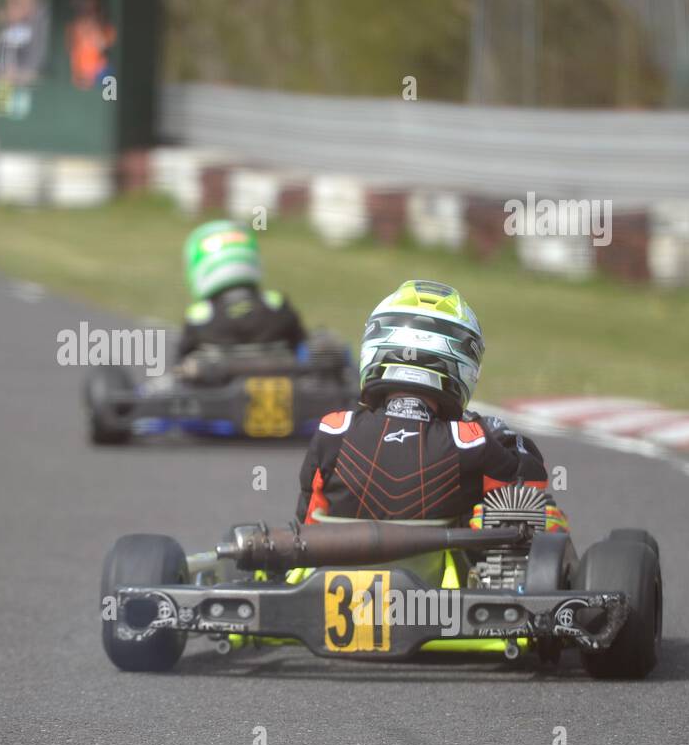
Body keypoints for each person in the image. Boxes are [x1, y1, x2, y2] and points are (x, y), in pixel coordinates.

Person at [296, 279, 567, 531]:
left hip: (333, 577)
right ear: (462, 362)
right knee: (549, 519)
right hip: (441, 581)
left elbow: (307, 525)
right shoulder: (471, 441)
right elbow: (531, 486)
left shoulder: (334, 431)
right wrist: (503, 438)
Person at [176, 220, 306, 361]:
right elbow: (304, 350)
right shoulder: (277, 305)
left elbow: (180, 365)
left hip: (220, 382)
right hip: (283, 380)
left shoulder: (200, 318)